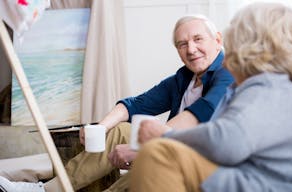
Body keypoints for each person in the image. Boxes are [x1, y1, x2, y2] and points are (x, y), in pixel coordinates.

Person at [0, 14, 234, 192]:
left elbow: (198, 116)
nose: (191, 49)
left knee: (151, 164)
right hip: (173, 149)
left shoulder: (228, 72)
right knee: (119, 128)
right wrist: (101, 127)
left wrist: (141, 150)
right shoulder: (184, 78)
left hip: (205, 161)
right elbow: (136, 104)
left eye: (197, 39)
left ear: (217, 39)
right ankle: (46, 190)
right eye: (182, 44)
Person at [129, 2, 292, 192]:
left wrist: (166, 135)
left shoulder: (269, 87)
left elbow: (228, 142)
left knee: (159, 154)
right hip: (256, 176)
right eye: (183, 44)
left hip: (271, 184)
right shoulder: (265, 87)